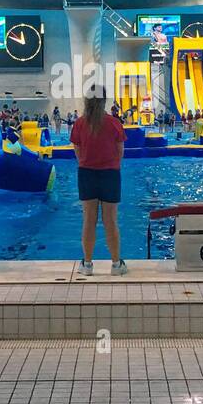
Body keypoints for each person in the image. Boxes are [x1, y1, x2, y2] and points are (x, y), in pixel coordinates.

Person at [70, 87, 127, 276]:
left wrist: (87, 163)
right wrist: (110, 165)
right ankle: (116, 265)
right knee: (110, 220)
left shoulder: (79, 124)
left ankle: (87, 265)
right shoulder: (114, 123)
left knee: (89, 219)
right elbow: (120, 152)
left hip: (87, 173)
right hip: (110, 173)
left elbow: (77, 151)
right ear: (104, 101)